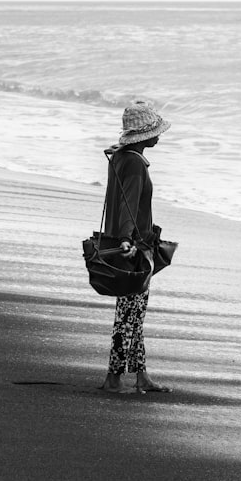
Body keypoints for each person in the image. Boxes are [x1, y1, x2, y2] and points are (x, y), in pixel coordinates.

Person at [99, 100, 173, 394]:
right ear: (143, 135)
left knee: (134, 314)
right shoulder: (132, 162)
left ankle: (141, 376)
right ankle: (114, 377)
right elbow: (129, 205)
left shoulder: (122, 157)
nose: (160, 135)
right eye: (156, 130)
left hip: (127, 244)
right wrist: (129, 242)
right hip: (133, 248)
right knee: (128, 316)